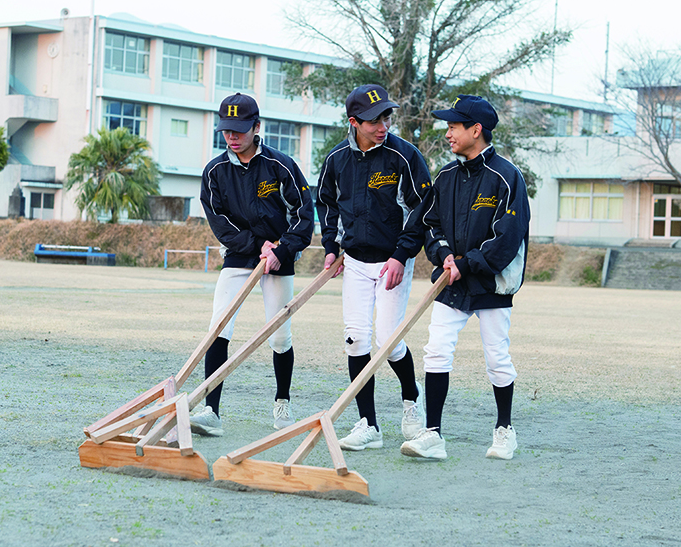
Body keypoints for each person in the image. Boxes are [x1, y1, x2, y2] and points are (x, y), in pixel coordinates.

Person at [400, 94, 530, 461]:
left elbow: (507, 236)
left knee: (497, 358)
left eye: (454, 126)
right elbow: (430, 224)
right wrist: (443, 256)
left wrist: (467, 263)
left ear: (477, 130)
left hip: (490, 283)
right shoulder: (446, 176)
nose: (448, 133)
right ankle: (434, 434)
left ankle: (504, 429)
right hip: (452, 282)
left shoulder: (507, 177)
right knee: (436, 351)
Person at [316, 84, 433, 451]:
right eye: (373, 120)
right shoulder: (336, 159)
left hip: (392, 262)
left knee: (388, 341)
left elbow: (421, 209)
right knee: (356, 340)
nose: (382, 125)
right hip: (354, 262)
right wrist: (331, 247)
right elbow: (327, 204)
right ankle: (368, 424)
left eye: (386, 117)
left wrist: (402, 254)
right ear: (354, 122)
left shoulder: (404, 156)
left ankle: (411, 399)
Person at [191, 92, 315, 437]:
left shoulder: (281, 165)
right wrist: (253, 244)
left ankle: (282, 401)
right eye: (227, 130)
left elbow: (305, 216)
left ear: (256, 127)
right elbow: (219, 222)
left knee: (280, 335)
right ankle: (211, 410)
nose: (232, 136)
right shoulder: (214, 172)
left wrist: (282, 249)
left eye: (240, 130)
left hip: (278, 258)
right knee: (219, 327)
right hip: (239, 257)